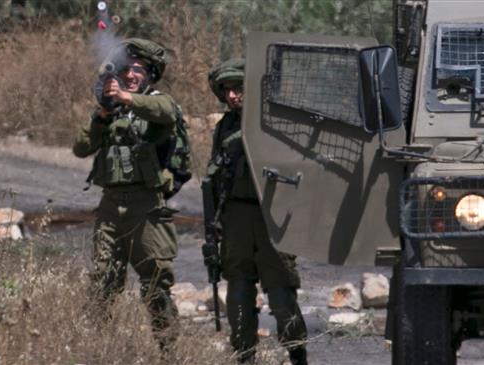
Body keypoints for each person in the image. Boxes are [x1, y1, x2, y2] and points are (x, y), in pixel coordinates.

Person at [73, 38, 181, 344]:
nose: (131, 75)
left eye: (138, 70)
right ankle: (100, 349)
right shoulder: (110, 108)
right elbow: (81, 147)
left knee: (155, 284)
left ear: (150, 75)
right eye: (126, 69)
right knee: (103, 282)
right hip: (110, 206)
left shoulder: (156, 101)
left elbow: (168, 112)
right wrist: (101, 115)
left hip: (146, 206)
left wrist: (127, 98)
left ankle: (169, 352)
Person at [206, 58, 308, 365]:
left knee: (281, 296)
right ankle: (245, 356)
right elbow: (214, 174)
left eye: (238, 88)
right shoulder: (225, 125)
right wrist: (214, 223)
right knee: (237, 293)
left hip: (271, 216)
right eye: (227, 91)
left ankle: (297, 353)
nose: (233, 96)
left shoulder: (272, 120)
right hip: (236, 217)